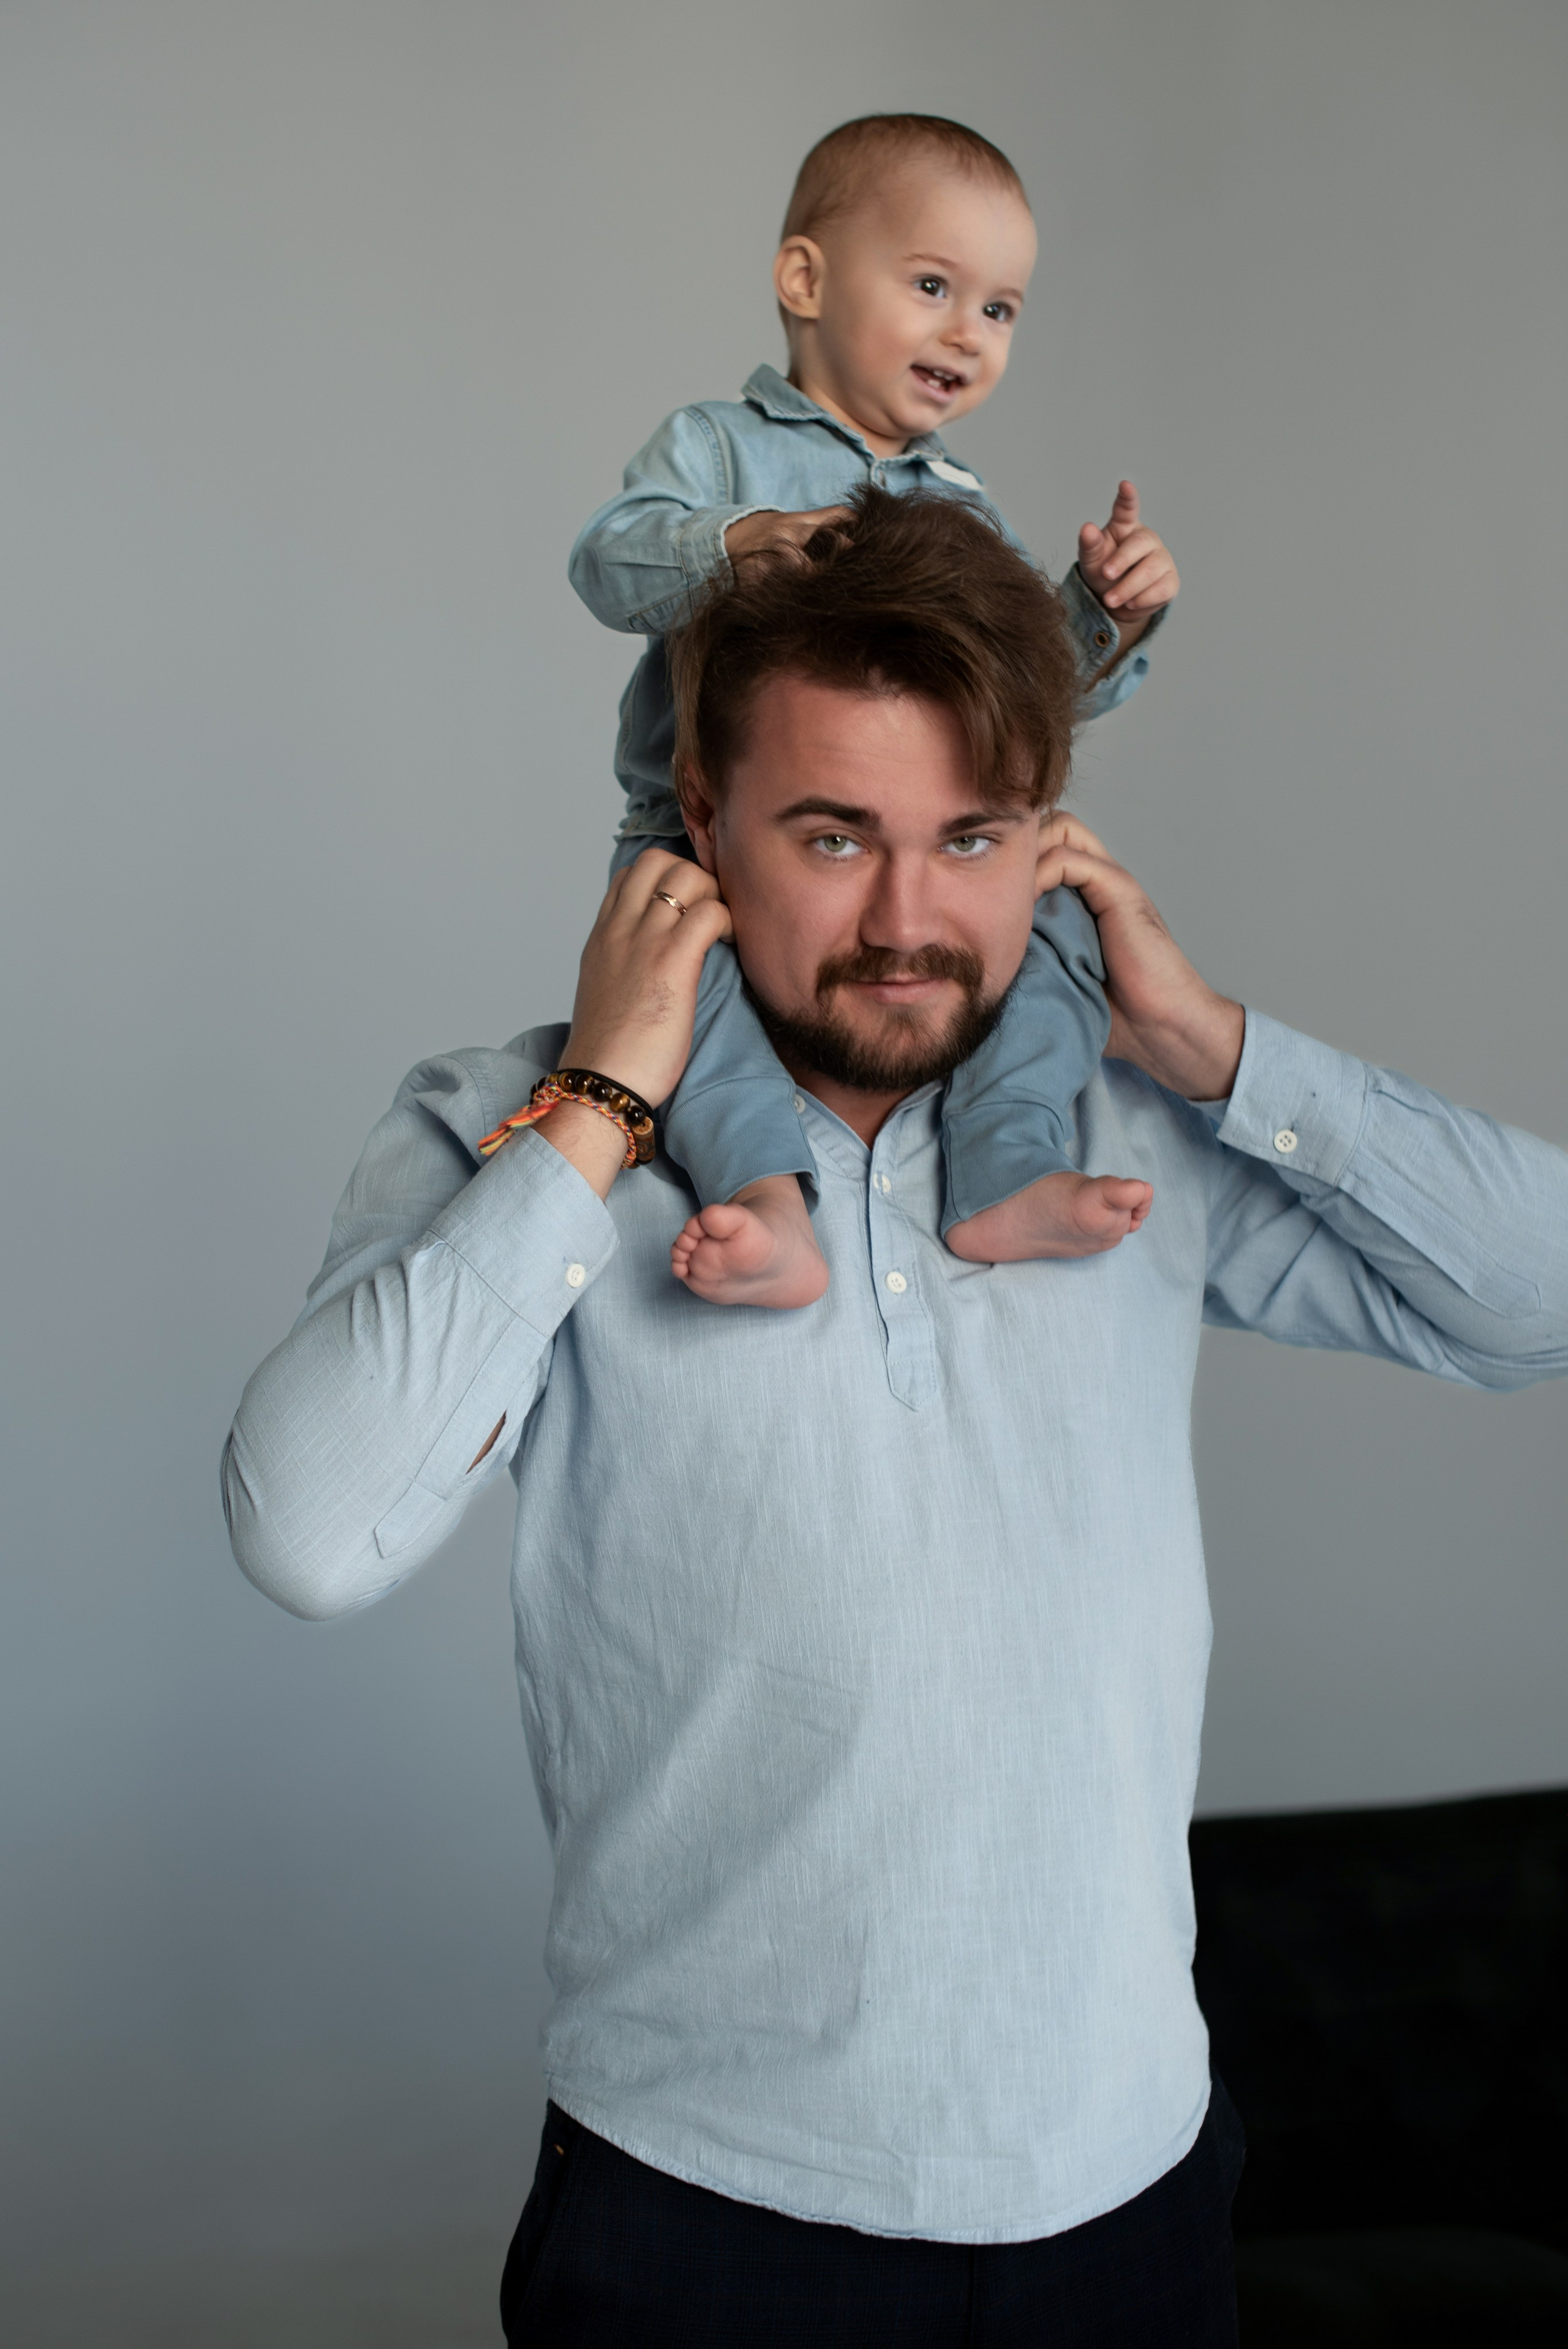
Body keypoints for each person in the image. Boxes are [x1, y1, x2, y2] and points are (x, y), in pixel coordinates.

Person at [224, 492, 1568, 2345]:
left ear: (1047, 842)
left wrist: (1221, 1051)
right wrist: (612, 1091)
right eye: (834, 833)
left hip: (1134, 2199)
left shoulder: (1134, 1127)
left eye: (973, 838)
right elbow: (307, 1530)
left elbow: (1541, 1295)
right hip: (705, 2215)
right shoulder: (517, 1130)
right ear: (698, 823)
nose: (909, 920)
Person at [569, 112, 1180, 1309]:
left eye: (999, 309)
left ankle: (1005, 1164)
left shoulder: (966, 507)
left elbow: (1015, 705)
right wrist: (739, 548)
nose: (968, 331)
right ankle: (762, 1197)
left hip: (908, 842)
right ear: (804, 278)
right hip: (705, 837)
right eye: (933, 285)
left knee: (1055, 938)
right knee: (688, 995)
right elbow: (607, 565)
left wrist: (1101, 613)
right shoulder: (717, 448)